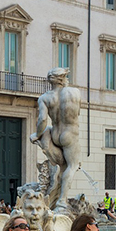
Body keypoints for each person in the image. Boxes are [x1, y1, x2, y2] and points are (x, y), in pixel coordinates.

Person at [30, 68, 81, 212]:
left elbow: (42, 120)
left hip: (55, 133)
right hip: (69, 134)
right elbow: (78, 112)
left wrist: (37, 135)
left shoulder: (45, 98)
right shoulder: (74, 92)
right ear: (64, 78)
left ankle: (54, 194)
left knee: (63, 168)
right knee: (72, 166)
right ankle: (62, 201)